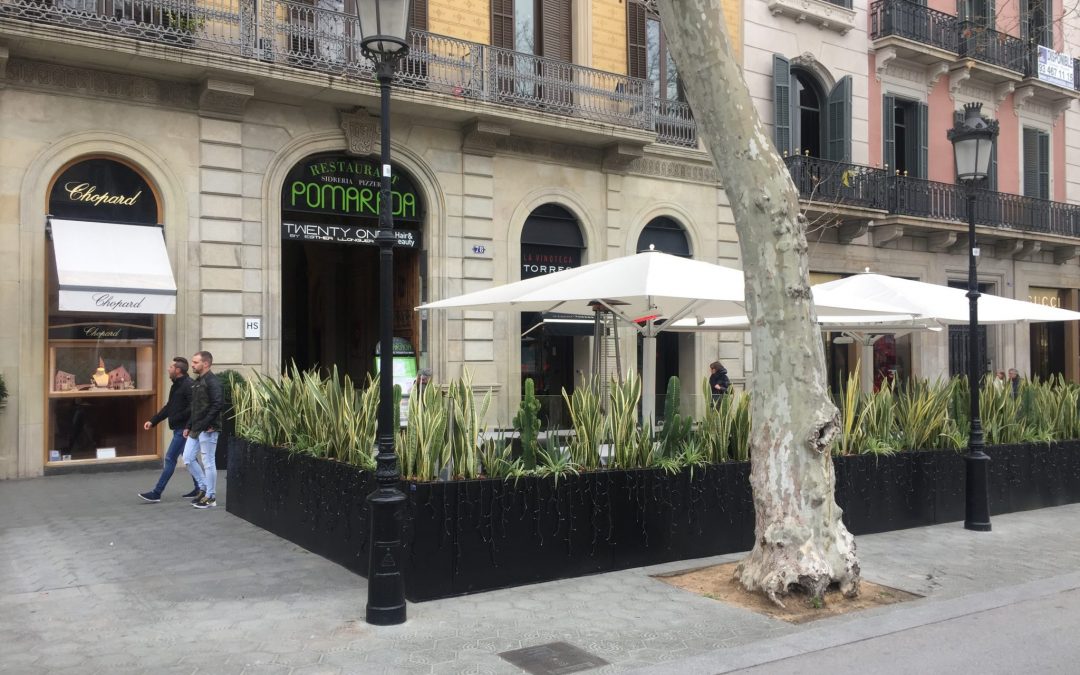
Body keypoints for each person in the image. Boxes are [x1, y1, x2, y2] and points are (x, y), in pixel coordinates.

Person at [138, 357, 197, 503]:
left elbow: (194, 408)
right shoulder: (176, 385)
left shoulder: (189, 385)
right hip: (179, 428)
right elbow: (169, 407)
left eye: (171, 367)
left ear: (178, 370)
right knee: (190, 460)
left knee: (170, 459)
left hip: (183, 429)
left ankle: (157, 493)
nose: (168, 369)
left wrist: (184, 422)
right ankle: (200, 488)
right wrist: (153, 421)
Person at [184, 351, 225, 509]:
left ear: (206, 363)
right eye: (192, 362)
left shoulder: (213, 382)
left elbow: (217, 405)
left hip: (208, 428)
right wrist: (189, 426)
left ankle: (211, 496)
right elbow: (194, 407)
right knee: (187, 458)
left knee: (208, 462)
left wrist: (206, 424)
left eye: (195, 362)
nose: (192, 365)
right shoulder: (198, 381)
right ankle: (203, 488)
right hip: (197, 427)